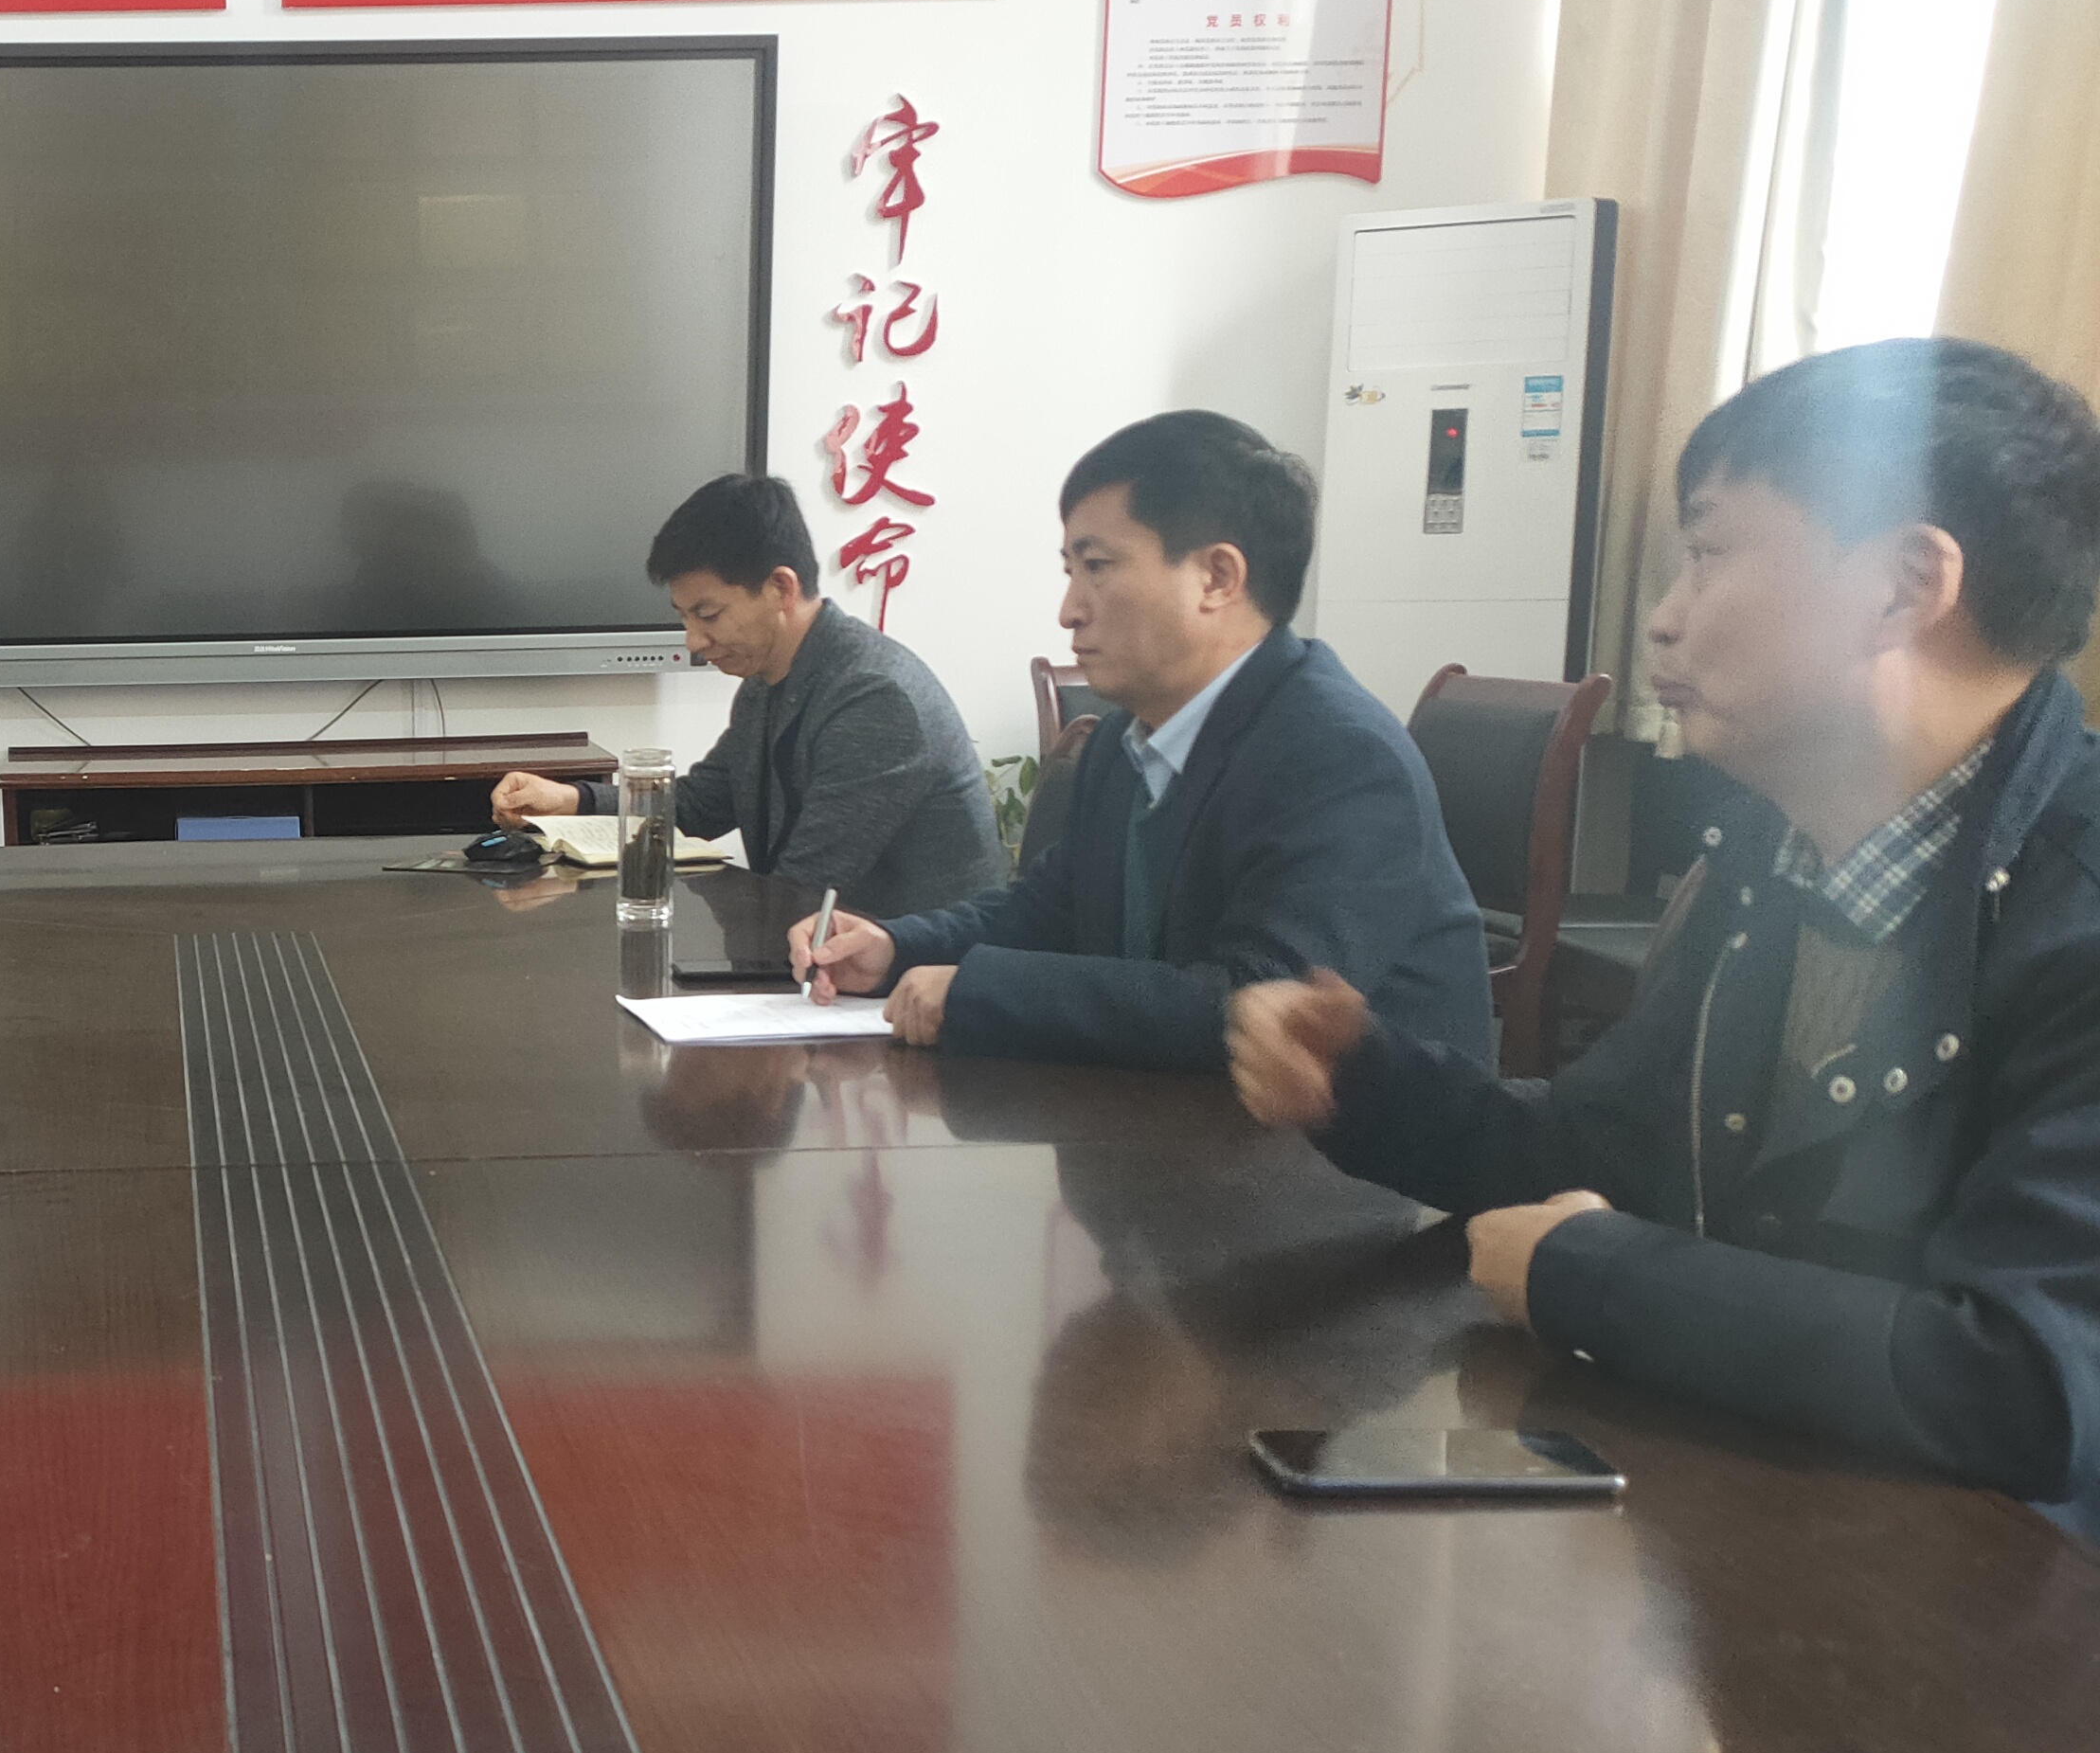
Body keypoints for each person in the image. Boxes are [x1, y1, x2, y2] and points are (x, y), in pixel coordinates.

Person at [1230, 337, 2100, 1524]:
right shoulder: (1767, 853)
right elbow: (1605, 1150)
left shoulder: (2072, 908)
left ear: (1902, 588)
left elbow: (2028, 1384)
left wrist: (1593, 1276)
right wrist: (1367, 1083)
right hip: (1779, 1544)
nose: (1663, 622)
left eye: (1706, 553)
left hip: (1998, 1608)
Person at [788, 412, 1491, 1066]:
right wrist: (894, 947)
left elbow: (1261, 1007)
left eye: (1096, 566)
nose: (1069, 610)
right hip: (1178, 1125)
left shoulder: (1337, 754)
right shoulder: (1127, 739)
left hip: (1343, 1154)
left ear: (1217, 577)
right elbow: (1049, 911)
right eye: (1070, 572)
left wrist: (984, 990)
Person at [492, 473, 1003, 915]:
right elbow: (701, 805)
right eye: (685, 617)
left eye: (708, 614)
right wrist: (573, 799)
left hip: (913, 978)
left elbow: (805, 887)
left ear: (781, 588)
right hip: (818, 954)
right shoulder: (765, 683)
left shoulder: (874, 699)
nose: (694, 641)